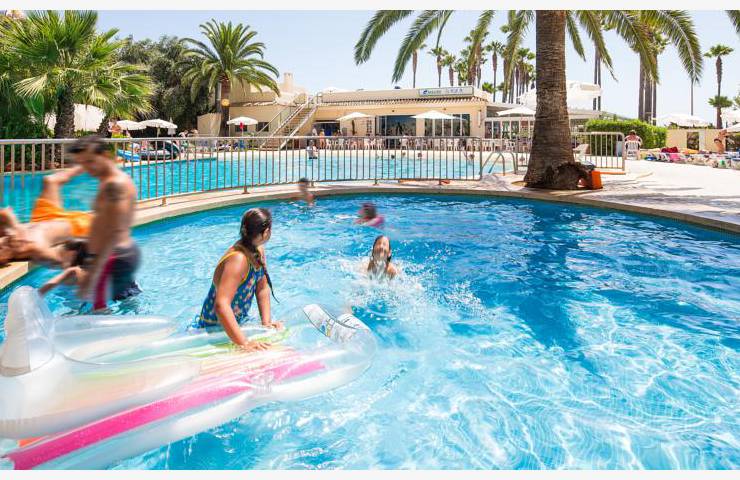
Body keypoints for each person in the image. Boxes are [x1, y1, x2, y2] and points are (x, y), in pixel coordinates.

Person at [193, 208, 282, 351]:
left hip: (236, 323)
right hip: (213, 329)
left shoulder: (258, 250)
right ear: (266, 232)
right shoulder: (238, 260)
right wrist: (244, 343)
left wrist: (266, 323)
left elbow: (262, 288)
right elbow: (221, 305)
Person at [68, 135, 141, 310]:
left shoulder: (114, 185)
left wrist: (94, 270)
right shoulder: (109, 181)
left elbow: (115, 231)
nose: (87, 168)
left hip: (112, 258)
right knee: (124, 304)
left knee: (97, 312)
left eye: (90, 161)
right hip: (114, 257)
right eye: (82, 163)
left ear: (105, 155)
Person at [0, 166, 92, 265]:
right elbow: (60, 259)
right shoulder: (33, 247)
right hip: (76, 226)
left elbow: (6, 212)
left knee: (50, 180)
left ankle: (88, 163)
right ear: (4, 259)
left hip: (43, 217)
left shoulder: (7, 236)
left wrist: (14, 228)